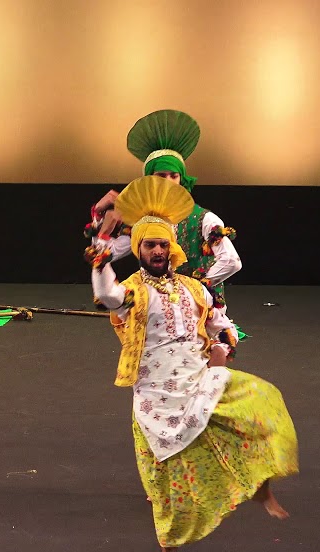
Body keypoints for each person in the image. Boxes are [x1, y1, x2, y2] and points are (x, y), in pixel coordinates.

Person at [90, 175, 297, 552]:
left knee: (259, 399)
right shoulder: (132, 289)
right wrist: (100, 260)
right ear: (140, 249)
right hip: (153, 397)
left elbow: (222, 325)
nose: (158, 251)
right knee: (161, 483)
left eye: (163, 244)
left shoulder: (195, 288)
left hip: (197, 381)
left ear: (172, 247)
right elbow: (109, 297)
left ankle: (261, 485)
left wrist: (224, 345)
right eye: (150, 245)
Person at [87, 109, 242, 363]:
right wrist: (100, 224)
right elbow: (108, 255)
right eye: (161, 176)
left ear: (182, 178)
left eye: (174, 175)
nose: (169, 181)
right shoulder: (144, 220)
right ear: (149, 179)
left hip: (198, 306)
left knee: (207, 367)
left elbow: (232, 261)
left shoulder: (203, 219)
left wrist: (196, 287)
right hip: (158, 306)